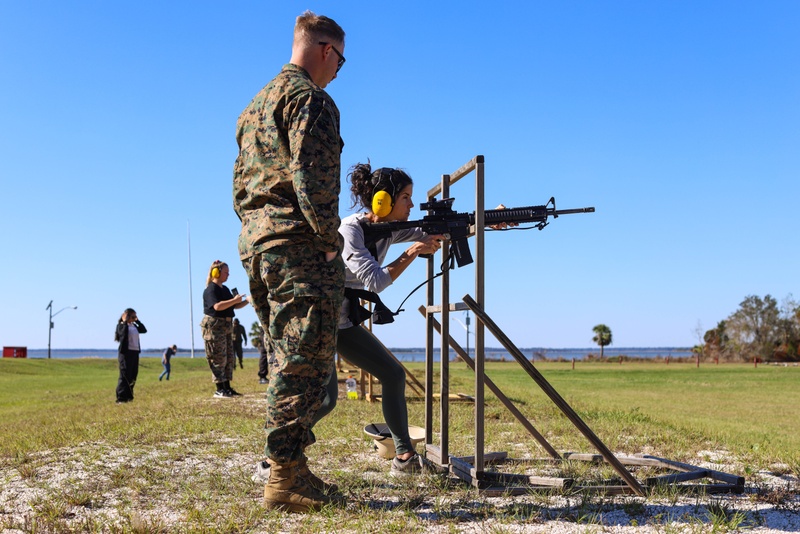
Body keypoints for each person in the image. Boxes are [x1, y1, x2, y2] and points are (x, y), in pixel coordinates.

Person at [233, 10, 346, 513]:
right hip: (298, 246)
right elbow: (313, 178)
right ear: (325, 50)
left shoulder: (255, 106)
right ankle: (282, 477)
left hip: (258, 245)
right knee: (304, 363)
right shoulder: (311, 100)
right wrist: (327, 238)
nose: (340, 70)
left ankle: (294, 468)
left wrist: (258, 231)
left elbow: (240, 186)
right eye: (341, 60)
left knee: (285, 357)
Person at [201, 260, 249, 398]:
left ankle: (227, 387)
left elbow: (234, 306)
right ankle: (219, 389)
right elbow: (217, 306)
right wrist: (235, 300)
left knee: (228, 358)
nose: (228, 274)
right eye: (226, 272)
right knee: (218, 357)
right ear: (217, 273)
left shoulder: (225, 289)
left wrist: (247, 301)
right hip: (215, 326)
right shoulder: (211, 289)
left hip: (226, 326)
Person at [114, 308, 147, 404]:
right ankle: (121, 398)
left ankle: (129, 397)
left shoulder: (134, 326)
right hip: (125, 353)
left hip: (135, 352)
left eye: (135, 317)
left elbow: (144, 330)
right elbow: (123, 335)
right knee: (124, 375)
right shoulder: (121, 326)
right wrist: (124, 322)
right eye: (132, 316)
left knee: (133, 375)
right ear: (127, 316)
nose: (134, 318)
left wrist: (137, 321)